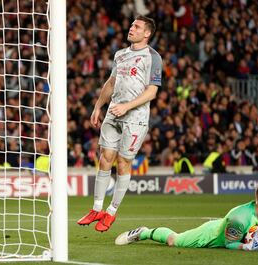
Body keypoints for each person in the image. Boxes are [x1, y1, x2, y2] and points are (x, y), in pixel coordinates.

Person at [77, 15, 162, 232]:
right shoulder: (120, 55)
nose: (131, 28)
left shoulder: (153, 58)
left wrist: (128, 106)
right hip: (113, 112)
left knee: (123, 163)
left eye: (137, 26)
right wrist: (97, 106)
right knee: (105, 158)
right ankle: (96, 208)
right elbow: (111, 82)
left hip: (135, 118)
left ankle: (111, 212)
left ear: (147, 33)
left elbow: (152, 92)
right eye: (132, 24)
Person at [115, 182, 258, 251]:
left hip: (225, 227)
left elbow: (255, 233)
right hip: (209, 236)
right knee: (174, 240)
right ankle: (144, 232)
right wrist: (247, 247)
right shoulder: (240, 218)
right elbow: (229, 243)